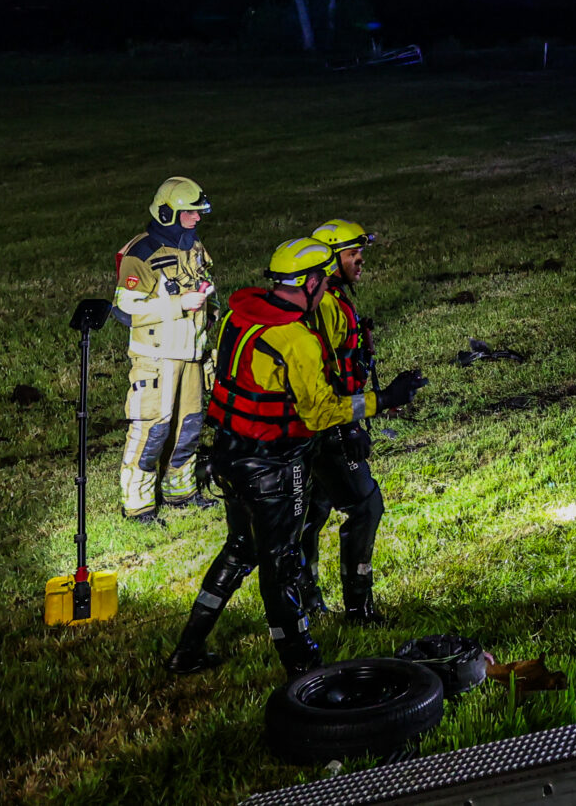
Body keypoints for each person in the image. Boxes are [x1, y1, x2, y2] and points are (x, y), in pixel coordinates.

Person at [166, 235, 426, 676]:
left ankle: (187, 649)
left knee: (240, 548)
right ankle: (304, 668)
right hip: (273, 465)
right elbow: (321, 411)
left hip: (229, 454)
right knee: (281, 564)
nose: (325, 290)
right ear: (307, 283)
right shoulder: (296, 339)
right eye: (321, 283)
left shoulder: (237, 317)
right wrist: (382, 399)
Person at [299, 219, 392, 622]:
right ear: (332, 259)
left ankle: (306, 601)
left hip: (316, 427)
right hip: (328, 425)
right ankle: (359, 609)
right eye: (354, 254)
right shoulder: (328, 306)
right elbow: (330, 375)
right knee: (366, 504)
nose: (360, 261)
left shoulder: (329, 300)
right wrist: (350, 426)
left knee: (313, 512)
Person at [113, 176, 218, 525]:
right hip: (156, 359)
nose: (197, 218)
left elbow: (204, 292)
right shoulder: (141, 254)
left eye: (199, 212)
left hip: (191, 354)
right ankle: (138, 506)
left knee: (189, 425)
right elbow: (125, 311)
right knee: (153, 429)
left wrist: (208, 304)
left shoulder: (194, 245)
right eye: (190, 212)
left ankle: (180, 492)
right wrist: (179, 304)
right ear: (167, 212)